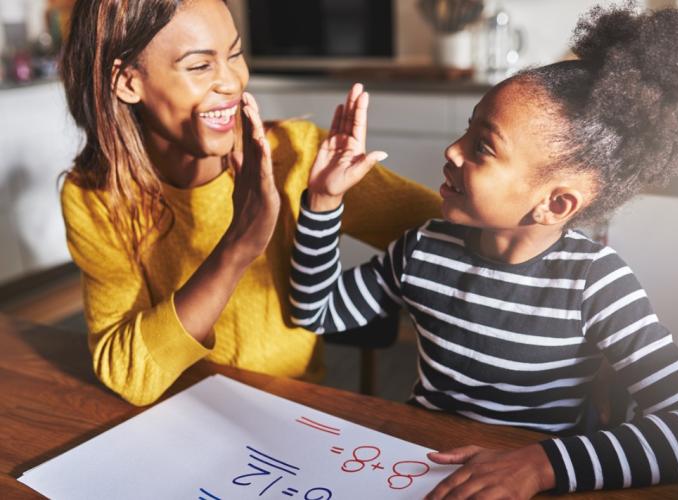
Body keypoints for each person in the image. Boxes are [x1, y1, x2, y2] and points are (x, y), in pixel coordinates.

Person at [289, 4, 678, 498]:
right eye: (467, 130)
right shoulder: (424, 248)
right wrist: (324, 201)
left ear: (555, 203)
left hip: (532, 479)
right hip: (420, 462)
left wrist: (539, 466)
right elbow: (317, 312)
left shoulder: (594, 282)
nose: (453, 150)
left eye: (483, 147)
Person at [58, 0, 440, 406]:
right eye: (200, 66)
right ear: (127, 81)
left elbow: (460, 235)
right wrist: (237, 247)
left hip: (293, 408)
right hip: (174, 410)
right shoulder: (96, 196)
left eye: (235, 54)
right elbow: (128, 373)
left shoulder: (299, 155)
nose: (232, 81)